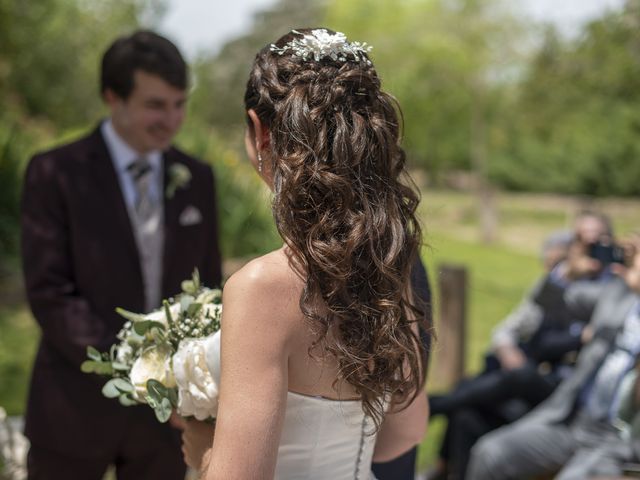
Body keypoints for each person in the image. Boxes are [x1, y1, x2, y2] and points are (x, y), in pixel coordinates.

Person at [179, 28, 430, 479]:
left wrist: (204, 449)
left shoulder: (262, 289)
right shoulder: (390, 264)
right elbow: (405, 431)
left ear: (261, 133)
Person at [20, 30, 222, 480]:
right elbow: (50, 293)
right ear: (113, 97)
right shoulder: (54, 174)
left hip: (164, 424)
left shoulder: (197, 177)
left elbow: (207, 286)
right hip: (72, 408)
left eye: (178, 103)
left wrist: (188, 383)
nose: (171, 119)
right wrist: (138, 372)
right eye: (155, 105)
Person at [427, 212, 614, 479]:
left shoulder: (616, 287)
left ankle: (437, 405)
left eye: (599, 240)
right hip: (536, 381)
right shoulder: (565, 280)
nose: (592, 246)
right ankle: (445, 469)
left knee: (519, 376)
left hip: (565, 391)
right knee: (467, 414)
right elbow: (531, 320)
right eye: (583, 240)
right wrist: (569, 272)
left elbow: (563, 338)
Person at [466, 236, 640, 480]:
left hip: (620, 440)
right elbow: (551, 302)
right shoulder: (617, 293)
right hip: (573, 421)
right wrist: (568, 271)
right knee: (490, 452)